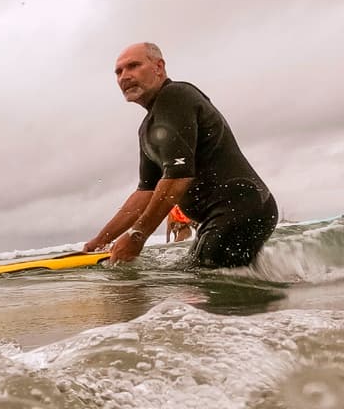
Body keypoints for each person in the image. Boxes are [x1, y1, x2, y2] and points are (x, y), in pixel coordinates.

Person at [83, 42, 277, 267]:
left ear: (159, 67)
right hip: (226, 215)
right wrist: (100, 241)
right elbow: (145, 192)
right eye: (119, 72)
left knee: (205, 280)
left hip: (239, 207)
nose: (124, 76)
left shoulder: (175, 96)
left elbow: (178, 177)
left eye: (133, 66)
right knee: (195, 275)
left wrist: (137, 236)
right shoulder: (148, 126)